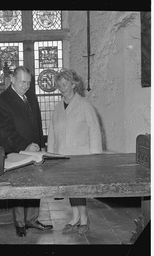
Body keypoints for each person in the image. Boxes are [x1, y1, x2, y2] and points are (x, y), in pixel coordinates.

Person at [0, 66, 53, 237]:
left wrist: (41, 145)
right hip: (15, 151)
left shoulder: (31, 96)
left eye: (29, 82)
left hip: (35, 150)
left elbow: (38, 125)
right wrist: (25, 145)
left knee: (35, 186)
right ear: (12, 79)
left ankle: (32, 219)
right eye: (22, 82)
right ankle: (20, 224)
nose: (26, 86)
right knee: (18, 188)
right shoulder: (1, 101)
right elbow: (6, 131)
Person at [47, 68, 102, 235]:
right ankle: (75, 217)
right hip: (63, 156)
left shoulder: (85, 105)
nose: (62, 88)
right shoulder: (57, 107)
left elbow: (94, 130)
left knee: (79, 189)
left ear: (73, 84)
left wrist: (95, 156)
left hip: (81, 156)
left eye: (65, 84)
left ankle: (84, 220)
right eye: (59, 85)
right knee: (70, 188)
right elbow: (52, 132)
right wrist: (51, 153)